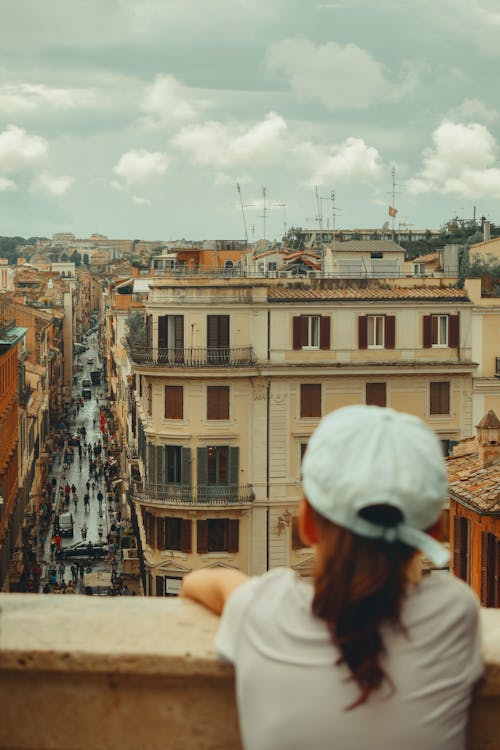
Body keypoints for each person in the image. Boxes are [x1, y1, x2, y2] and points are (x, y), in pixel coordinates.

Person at [182, 406, 483, 750]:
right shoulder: (455, 612)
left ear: (307, 523)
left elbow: (200, 583)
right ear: (435, 529)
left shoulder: (262, 609)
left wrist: (244, 590)